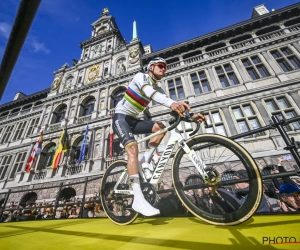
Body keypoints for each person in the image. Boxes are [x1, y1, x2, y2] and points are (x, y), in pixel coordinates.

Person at [112, 57, 206, 216]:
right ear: (151, 67)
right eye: (161, 66)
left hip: (134, 121)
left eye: (165, 68)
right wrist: (172, 104)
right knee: (133, 148)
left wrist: (190, 116)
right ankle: (138, 200)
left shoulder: (159, 89)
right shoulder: (140, 77)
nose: (164, 69)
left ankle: (145, 161)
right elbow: (151, 93)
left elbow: (169, 101)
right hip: (121, 118)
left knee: (161, 128)